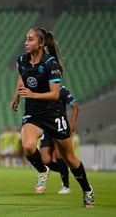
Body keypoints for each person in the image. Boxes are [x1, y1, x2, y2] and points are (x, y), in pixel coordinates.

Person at [10, 27, 94, 208]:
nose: (26, 42)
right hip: (33, 113)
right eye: (26, 39)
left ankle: (87, 190)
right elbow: (21, 78)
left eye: (30, 39)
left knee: (70, 159)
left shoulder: (50, 62)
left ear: (41, 44)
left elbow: (55, 94)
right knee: (28, 146)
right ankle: (42, 170)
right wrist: (17, 96)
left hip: (53, 113)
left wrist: (33, 95)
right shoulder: (22, 60)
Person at [39, 85, 79, 194]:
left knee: (59, 156)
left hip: (59, 126)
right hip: (46, 128)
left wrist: (72, 123)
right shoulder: (42, 90)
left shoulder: (62, 90)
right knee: (45, 160)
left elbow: (75, 106)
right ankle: (64, 169)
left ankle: (66, 186)